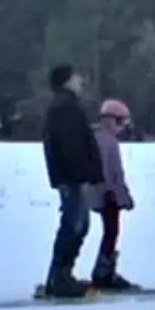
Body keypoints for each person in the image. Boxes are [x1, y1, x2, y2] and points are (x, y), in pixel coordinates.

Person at [41, 64, 103, 297]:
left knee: (78, 225)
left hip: (70, 176)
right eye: (76, 76)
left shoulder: (66, 105)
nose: (81, 80)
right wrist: (83, 173)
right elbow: (71, 144)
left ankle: (62, 275)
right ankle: (59, 278)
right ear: (67, 80)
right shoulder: (66, 107)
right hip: (71, 177)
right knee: (73, 225)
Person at [86, 98, 138, 291]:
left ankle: (104, 270)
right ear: (113, 120)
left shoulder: (98, 137)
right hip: (107, 194)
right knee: (111, 232)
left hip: (101, 192)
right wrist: (121, 196)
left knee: (110, 232)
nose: (123, 127)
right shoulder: (107, 141)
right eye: (122, 122)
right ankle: (103, 273)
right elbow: (113, 173)